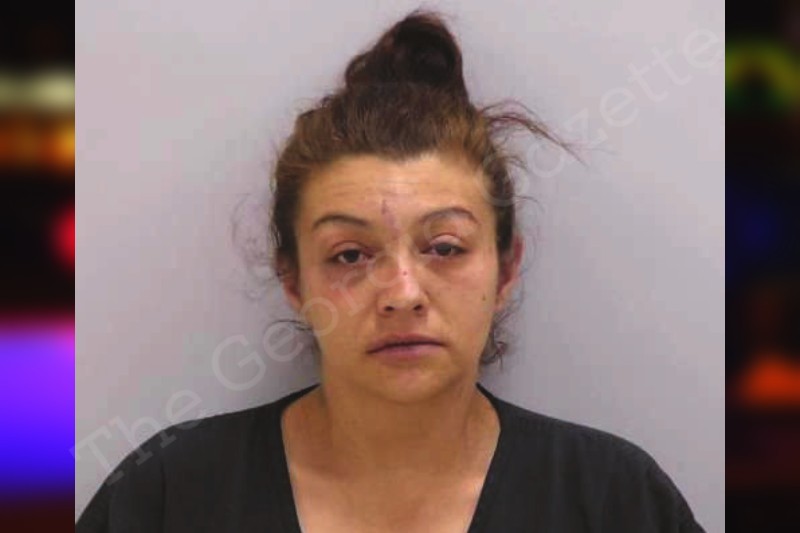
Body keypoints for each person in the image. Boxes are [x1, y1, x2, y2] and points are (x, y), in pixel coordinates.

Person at [76, 9, 705, 532]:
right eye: (350, 255)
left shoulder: (613, 500)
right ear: (294, 280)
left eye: (445, 247)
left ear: (506, 268)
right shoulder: (170, 495)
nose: (403, 294)